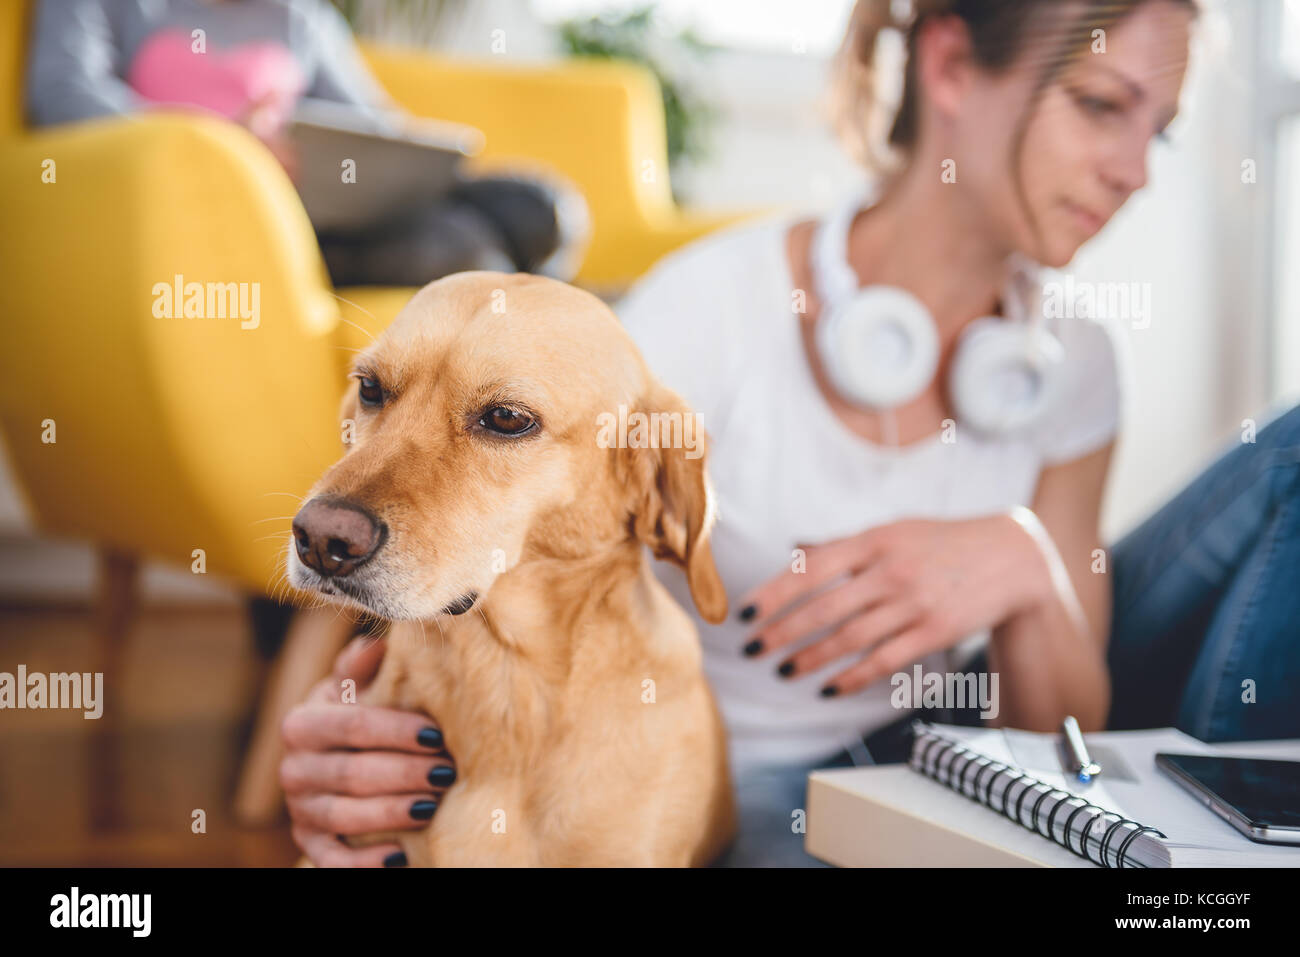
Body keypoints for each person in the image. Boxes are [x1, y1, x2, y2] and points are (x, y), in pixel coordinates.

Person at [278, 0, 1299, 867]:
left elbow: (1064, 734)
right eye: (1098, 105)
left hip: (967, 741)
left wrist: (1024, 565)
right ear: (947, 65)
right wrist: (355, 732)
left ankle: (1224, 850)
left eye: (1155, 130)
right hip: (744, 774)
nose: (1133, 171)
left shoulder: (1071, 359)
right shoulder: (705, 310)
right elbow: (498, 539)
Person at [25, 0, 586, 284]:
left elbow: (377, 126)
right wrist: (228, 147)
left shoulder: (301, 20)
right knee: (467, 250)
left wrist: (419, 162)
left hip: (333, 207)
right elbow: (63, 95)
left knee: (543, 209)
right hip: (239, 228)